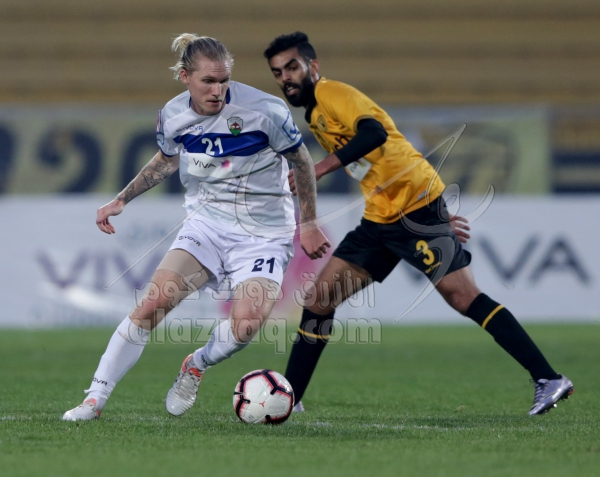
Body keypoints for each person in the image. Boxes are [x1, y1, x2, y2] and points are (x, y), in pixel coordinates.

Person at [264, 32, 573, 416]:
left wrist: (321, 167)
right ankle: (291, 398)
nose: (285, 78)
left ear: (313, 66)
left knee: (463, 297)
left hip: (414, 211)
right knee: (320, 299)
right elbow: (379, 157)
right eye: (278, 72)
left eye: (292, 67)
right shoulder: (314, 114)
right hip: (381, 218)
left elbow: (375, 133)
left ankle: (548, 378)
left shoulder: (333, 93)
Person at [62, 33, 330, 421]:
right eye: (208, 81)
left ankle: (196, 364)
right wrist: (122, 199)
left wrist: (309, 223)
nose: (218, 90)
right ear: (185, 77)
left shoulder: (266, 111)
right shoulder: (173, 114)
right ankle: (94, 400)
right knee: (153, 303)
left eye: (224, 80)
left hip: (264, 234)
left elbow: (302, 162)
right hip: (207, 225)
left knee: (246, 325)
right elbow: (167, 159)